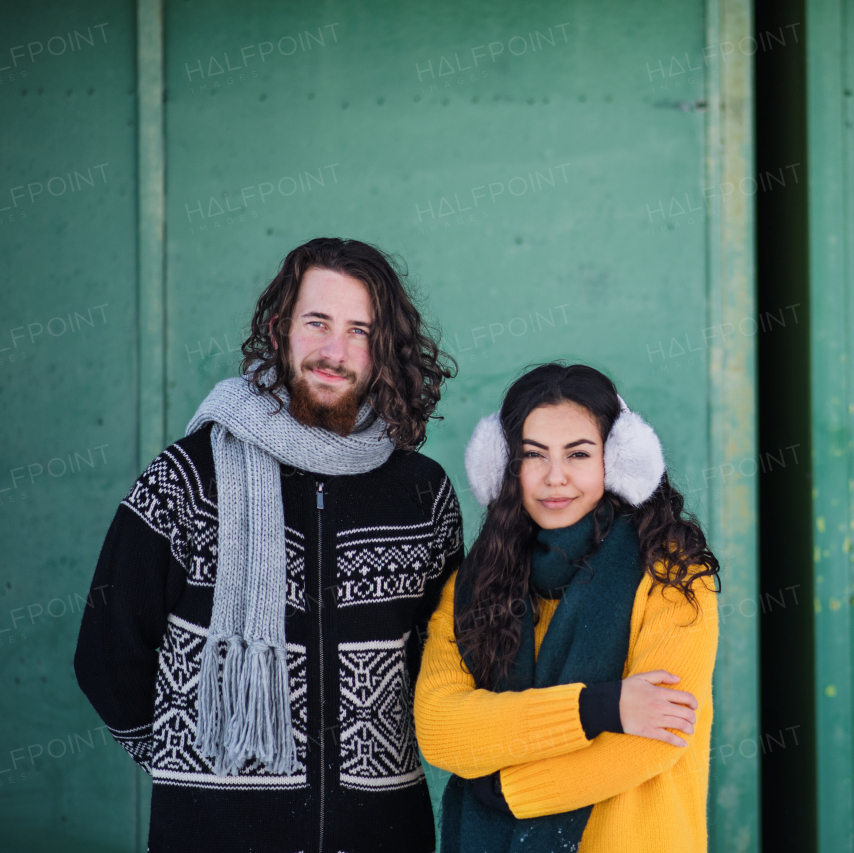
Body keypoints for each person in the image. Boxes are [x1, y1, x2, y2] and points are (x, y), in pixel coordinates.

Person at [74, 237, 462, 853]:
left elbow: (442, 666)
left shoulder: (420, 495)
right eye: (318, 323)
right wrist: (194, 770)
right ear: (281, 329)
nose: (335, 352)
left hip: (384, 833)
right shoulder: (188, 479)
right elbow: (106, 651)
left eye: (360, 331)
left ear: (384, 347)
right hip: (213, 834)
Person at [414, 362, 720, 853]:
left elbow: (652, 740)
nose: (555, 478)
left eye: (578, 454)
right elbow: (441, 729)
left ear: (616, 461)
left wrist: (508, 791)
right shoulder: (472, 585)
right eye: (533, 455)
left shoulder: (673, 576)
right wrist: (599, 707)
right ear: (506, 467)